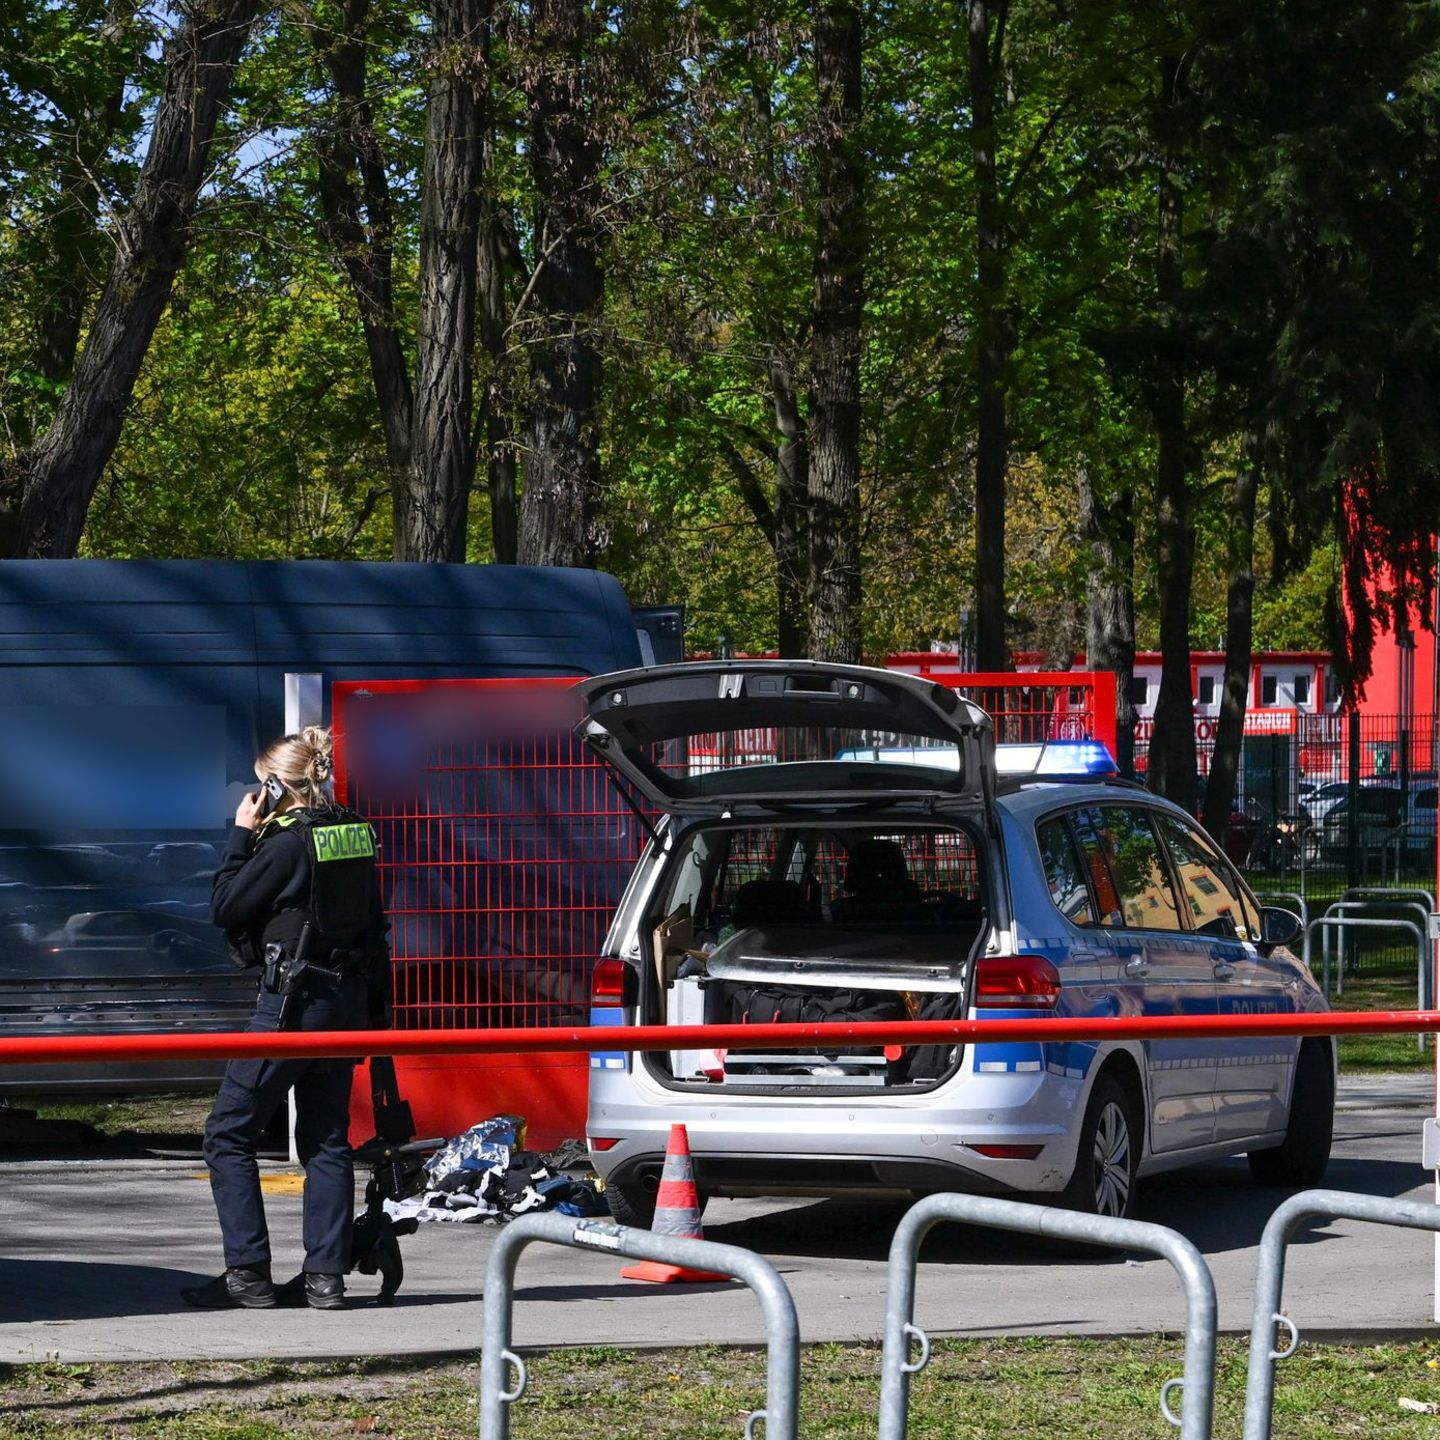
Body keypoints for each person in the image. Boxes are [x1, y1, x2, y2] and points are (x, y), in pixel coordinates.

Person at [181, 726, 389, 1311]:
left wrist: (241, 835)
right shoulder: (353, 833)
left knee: (228, 1134)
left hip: (290, 1006)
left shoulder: (284, 843)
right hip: (343, 1005)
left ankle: (247, 1274)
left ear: (275, 785)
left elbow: (226, 906)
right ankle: (326, 1278)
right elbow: (375, 923)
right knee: (326, 1139)